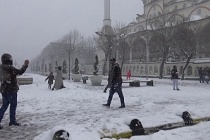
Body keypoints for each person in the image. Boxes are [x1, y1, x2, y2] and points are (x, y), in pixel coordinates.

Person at [0, 53, 29, 129]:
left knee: (4, 106)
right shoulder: (10, 68)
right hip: (11, 89)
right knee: (13, 105)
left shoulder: (1, 68)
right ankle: (12, 121)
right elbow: (20, 72)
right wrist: (25, 65)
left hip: (4, 90)